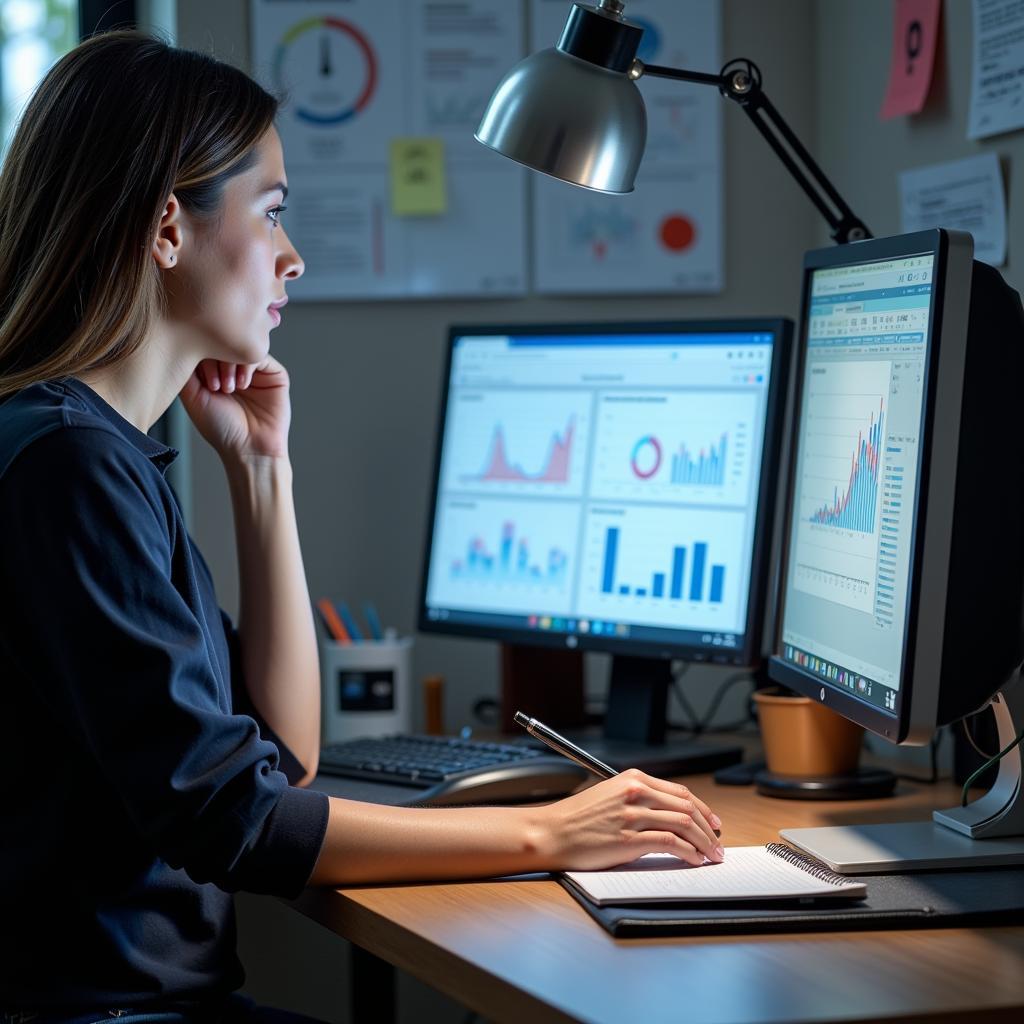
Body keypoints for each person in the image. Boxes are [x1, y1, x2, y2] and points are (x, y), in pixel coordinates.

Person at [0, 31, 725, 1022]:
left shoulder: (98, 454)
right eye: (272, 213)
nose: (294, 258)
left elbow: (280, 757)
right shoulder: (67, 465)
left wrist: (262, 474)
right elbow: (235, 823)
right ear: (167, 228)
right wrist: (547, 835)